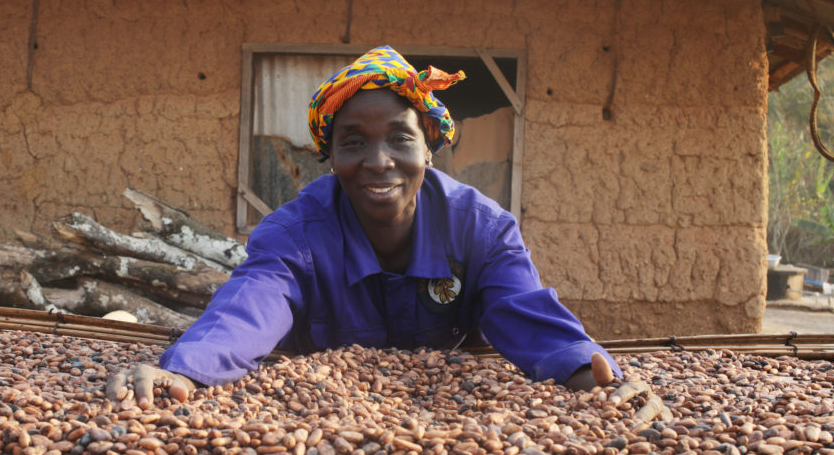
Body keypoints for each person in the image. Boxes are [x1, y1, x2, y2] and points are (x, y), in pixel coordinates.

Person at [119, 46, 622, 406]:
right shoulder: (296, 233)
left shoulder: (481, 230)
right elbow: (251, 306)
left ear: (429, 146)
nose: (379, 162)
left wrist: (593, 375)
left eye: (400, 140)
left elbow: (524, 313)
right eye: (354, 143)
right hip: (316, 415)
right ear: (331, 156)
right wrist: (185, 371)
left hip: (448, 416)